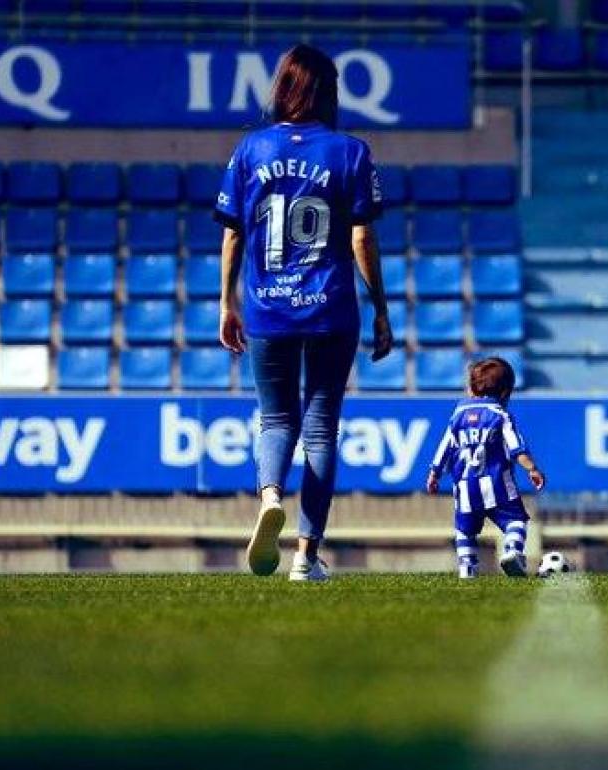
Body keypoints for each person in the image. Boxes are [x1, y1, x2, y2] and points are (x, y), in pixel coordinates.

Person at [215, 43, 393, 582]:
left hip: (267, 308)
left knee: (275, 419)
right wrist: (381, 307)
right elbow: (362, 237)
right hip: (330, 308)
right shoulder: (350, 151)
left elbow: (233, 234)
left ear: (283, 88)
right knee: (320, 431)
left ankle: (270, 496)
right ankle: (306, 556)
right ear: (329, 92)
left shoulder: (250, 150)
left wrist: (228, 302)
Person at [425, 357, 546, 579]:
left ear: (471, 388)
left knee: (464, 530)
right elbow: (516, 448)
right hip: (498, 484)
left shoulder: (458, 415)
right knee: (516, 521)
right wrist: (532, 469)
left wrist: (434, 473)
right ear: (505, 393)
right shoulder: (500, 415)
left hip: (465, 487)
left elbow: (444, 447)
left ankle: (466, 568)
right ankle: (512, 550)